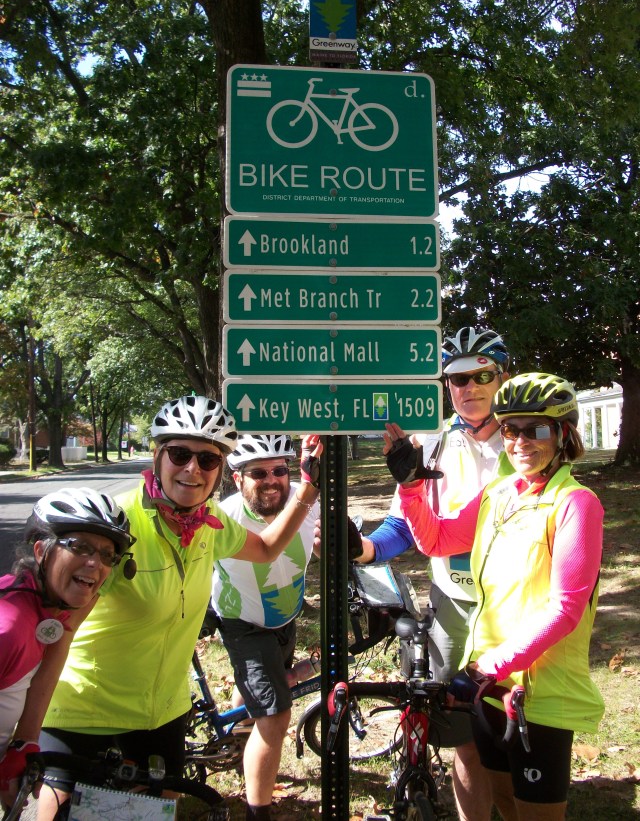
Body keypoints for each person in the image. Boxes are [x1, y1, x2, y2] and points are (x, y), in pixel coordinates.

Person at [35, 396, 322, 820]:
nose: (193, 469)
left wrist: (310, 487)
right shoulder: (119, 527)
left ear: (221, 469)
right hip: (85, 709)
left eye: (208, 459)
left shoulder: (209, 522)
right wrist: (25, 732)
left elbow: (264, 548)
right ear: (157, 456)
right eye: (180, 453)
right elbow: (58, 630)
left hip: (162, 713)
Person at [384, 373, 604, 820]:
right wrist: (410, 487)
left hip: (539, 691)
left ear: (563, 435)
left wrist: (489, 667)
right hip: (488, 690)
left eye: (536, 429)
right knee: (504, 804)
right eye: (510, 429)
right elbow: (437, 541)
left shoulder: (576, 504)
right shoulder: (499, 494)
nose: (521, 441)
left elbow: (566, 608)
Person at [353, 326, 511, 821]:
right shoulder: (431, 442)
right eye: (456, 379)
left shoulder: (524, 439)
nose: (469, 388)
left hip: (512, 608)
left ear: (502, 376)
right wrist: (361, 550)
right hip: (452, 602)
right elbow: (404, 525)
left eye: (481, 375)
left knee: (509, 731)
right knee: (463, 733)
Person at [0, 487, 135, 808]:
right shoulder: (10, 627)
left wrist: (25, 740)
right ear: (40, 550)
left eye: (107, 555)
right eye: (79, 546)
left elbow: (60, 642)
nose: (94, 563)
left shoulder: (46, 606)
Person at [212, 434, 320, 821]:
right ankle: (257, 812)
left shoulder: (307, 504)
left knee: (260, 698)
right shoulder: (224, 517)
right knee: (275, 716)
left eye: (280, 470)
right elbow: (266, 549)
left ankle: (238, 739)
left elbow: (324, 543)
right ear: (238, 478)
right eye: (258, 472)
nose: (272, 479)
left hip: (285, 617)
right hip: (243, 623)